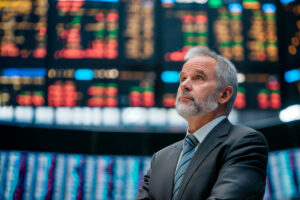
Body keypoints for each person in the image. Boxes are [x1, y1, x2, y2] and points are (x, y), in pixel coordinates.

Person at [135, 47, 268, 200]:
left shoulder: (245, 142)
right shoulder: (161, 158)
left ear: (223, 94)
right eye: (183, 78)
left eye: (198, 78)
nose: (185, 85)